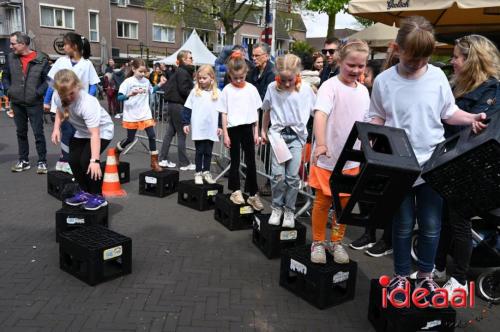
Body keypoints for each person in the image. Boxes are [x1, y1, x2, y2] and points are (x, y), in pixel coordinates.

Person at [367, 16, 487, 304]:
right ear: (397, 49)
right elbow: (377, 116)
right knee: (403, 223)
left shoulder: (436, 77)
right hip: (400, 164)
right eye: (411, 58)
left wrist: (469, 118)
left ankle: (425, 276)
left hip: (433, 162)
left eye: (423, 59)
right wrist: (372, 135)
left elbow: (448, 112)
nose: (418, 64)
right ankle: (400, 275)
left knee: (432, 224)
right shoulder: (384, 80)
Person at [433, 35, 500, 298]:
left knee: (459, 221)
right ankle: (438, 268)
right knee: (445, 221)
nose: (452, 61)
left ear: (471, 60)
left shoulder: (493, 90)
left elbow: (483, 129)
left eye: (457, 57)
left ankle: (458, 279)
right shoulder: (458, 87)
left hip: (472, 166)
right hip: (452, 162)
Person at [309, 40, 371, 265]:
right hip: (327, 158)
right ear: (340, 61)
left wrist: (369, 147)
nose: (355, 70)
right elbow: (320, 114)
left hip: (351, 161)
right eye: (351, 65)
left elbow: (367, 123)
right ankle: (317, 242)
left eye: (360, 66)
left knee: (343, 205)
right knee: (323, 202)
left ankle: (336, 242)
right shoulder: (329, 86)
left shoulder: (364, 91)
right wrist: (322, 143)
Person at [261, 54, 316, 228]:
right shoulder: (272, 87)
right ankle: (277, 207)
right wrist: (263, 130)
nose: (286, 84)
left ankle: (289, 210)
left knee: (293, 177)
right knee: (278, 176)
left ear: (297, 74)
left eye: (290, 80)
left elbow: (317, 112)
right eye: (282, 79)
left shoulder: (306, 90)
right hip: (278, 135)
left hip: (297, 137)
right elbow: (267, 110)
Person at [348, 59, 394, 258]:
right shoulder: (362, 93)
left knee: (387, 196)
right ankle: (369, 233)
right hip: (369, 149)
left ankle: (387, 239)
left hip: (387, 149)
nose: (361, 77)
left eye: (365, 74)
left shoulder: (385, 94)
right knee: (366, 192)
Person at [51, 69, 114, 210]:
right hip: (82, 131)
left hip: (102, 131)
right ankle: (85, 192)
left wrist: (95, 161)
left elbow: (95, 134)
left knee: (87, 161)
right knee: (73, 160)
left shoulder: (88, 103)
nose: (69, 98)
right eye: (65, 95)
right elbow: (60, 111)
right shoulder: (58, 96)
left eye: (72, 93)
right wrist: (56, 128)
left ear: (78, 86)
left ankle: (98, 196)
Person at [44, 32, 100, 175]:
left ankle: (74, 159)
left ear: (74, 46)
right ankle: (65, 159)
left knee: (79, 134)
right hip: (62, 104)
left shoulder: (87, 64)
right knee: (67, 132)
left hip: (80, 106)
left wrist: (88, 99)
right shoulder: (60, 62)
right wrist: (46, 101)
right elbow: (51, 83)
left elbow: (93, 84)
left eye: (65, 44)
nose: (63, 47)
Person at [219, 51, 264, 211]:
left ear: (246, 73)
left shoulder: (251, 89)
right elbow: (223, 113)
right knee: (235, 161)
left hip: (248, 128)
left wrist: (257, 132)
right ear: (230, 75)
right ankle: (236, 190)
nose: (238, 81)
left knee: (251, 162)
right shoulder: (226, 90)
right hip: (233, 129)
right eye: (235, 78)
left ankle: (253, 194)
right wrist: (225, 133)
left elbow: (256, 112)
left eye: (241, 77)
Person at [3, 31, 49, 173]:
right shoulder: (10, 58)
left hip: (34, 102)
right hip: (17, 102)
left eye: (13, 43)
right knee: (21, 132)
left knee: (38, 133)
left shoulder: (41, 59)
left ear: (23, 44)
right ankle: (24, 160)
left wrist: (38, 93)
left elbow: (48, 80)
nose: (11, 46)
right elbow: (5, 76)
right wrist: (8, 90)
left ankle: (42, 161)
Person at [116, 59, 166, 172]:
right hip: (132, 114)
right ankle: (116, 152)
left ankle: (154, 163)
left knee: (152, 135)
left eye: (144, 72)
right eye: (140, 71)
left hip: (145, 113)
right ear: (133, 69)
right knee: (130, 138)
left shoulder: (146, 81)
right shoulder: (127, 82)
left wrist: (160, 84)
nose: (143, 74)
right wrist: (129, 94)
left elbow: (152, 90)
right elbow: (119, 97)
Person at [182, 65, 222, 184]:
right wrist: (185, 123)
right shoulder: (195, 92)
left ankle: (206, 172)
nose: (201, 80)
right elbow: (187, 108)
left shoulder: (218, 93)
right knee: (199, 151)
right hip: (199, 127)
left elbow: (221, 111)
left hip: (211, 127)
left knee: (208, 152)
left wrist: (220, 126)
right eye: (199, 78)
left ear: (212, 78)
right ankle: (198, 172)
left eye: (204, 78)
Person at [159, 50, 195, 170]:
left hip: (173, 105)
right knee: (181, 134)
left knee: (170, 133)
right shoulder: (183, 72)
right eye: (190, 58)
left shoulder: (179, 71)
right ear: (184, 60)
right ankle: (184, 163)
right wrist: (195, 91)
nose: (192, 60)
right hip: (178, 105)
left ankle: (162, 159)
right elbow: (184, 89)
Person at [248, 43, 275, 196]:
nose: (253, 58)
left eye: (257, 55)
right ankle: (271, 179)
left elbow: (265, 96)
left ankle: (272, 182)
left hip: (269, 118)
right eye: (253, 55)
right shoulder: (253, 72)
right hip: (257, 116)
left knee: (268, 151)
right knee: (263, 151)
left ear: (266, 56)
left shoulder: (271, 72)